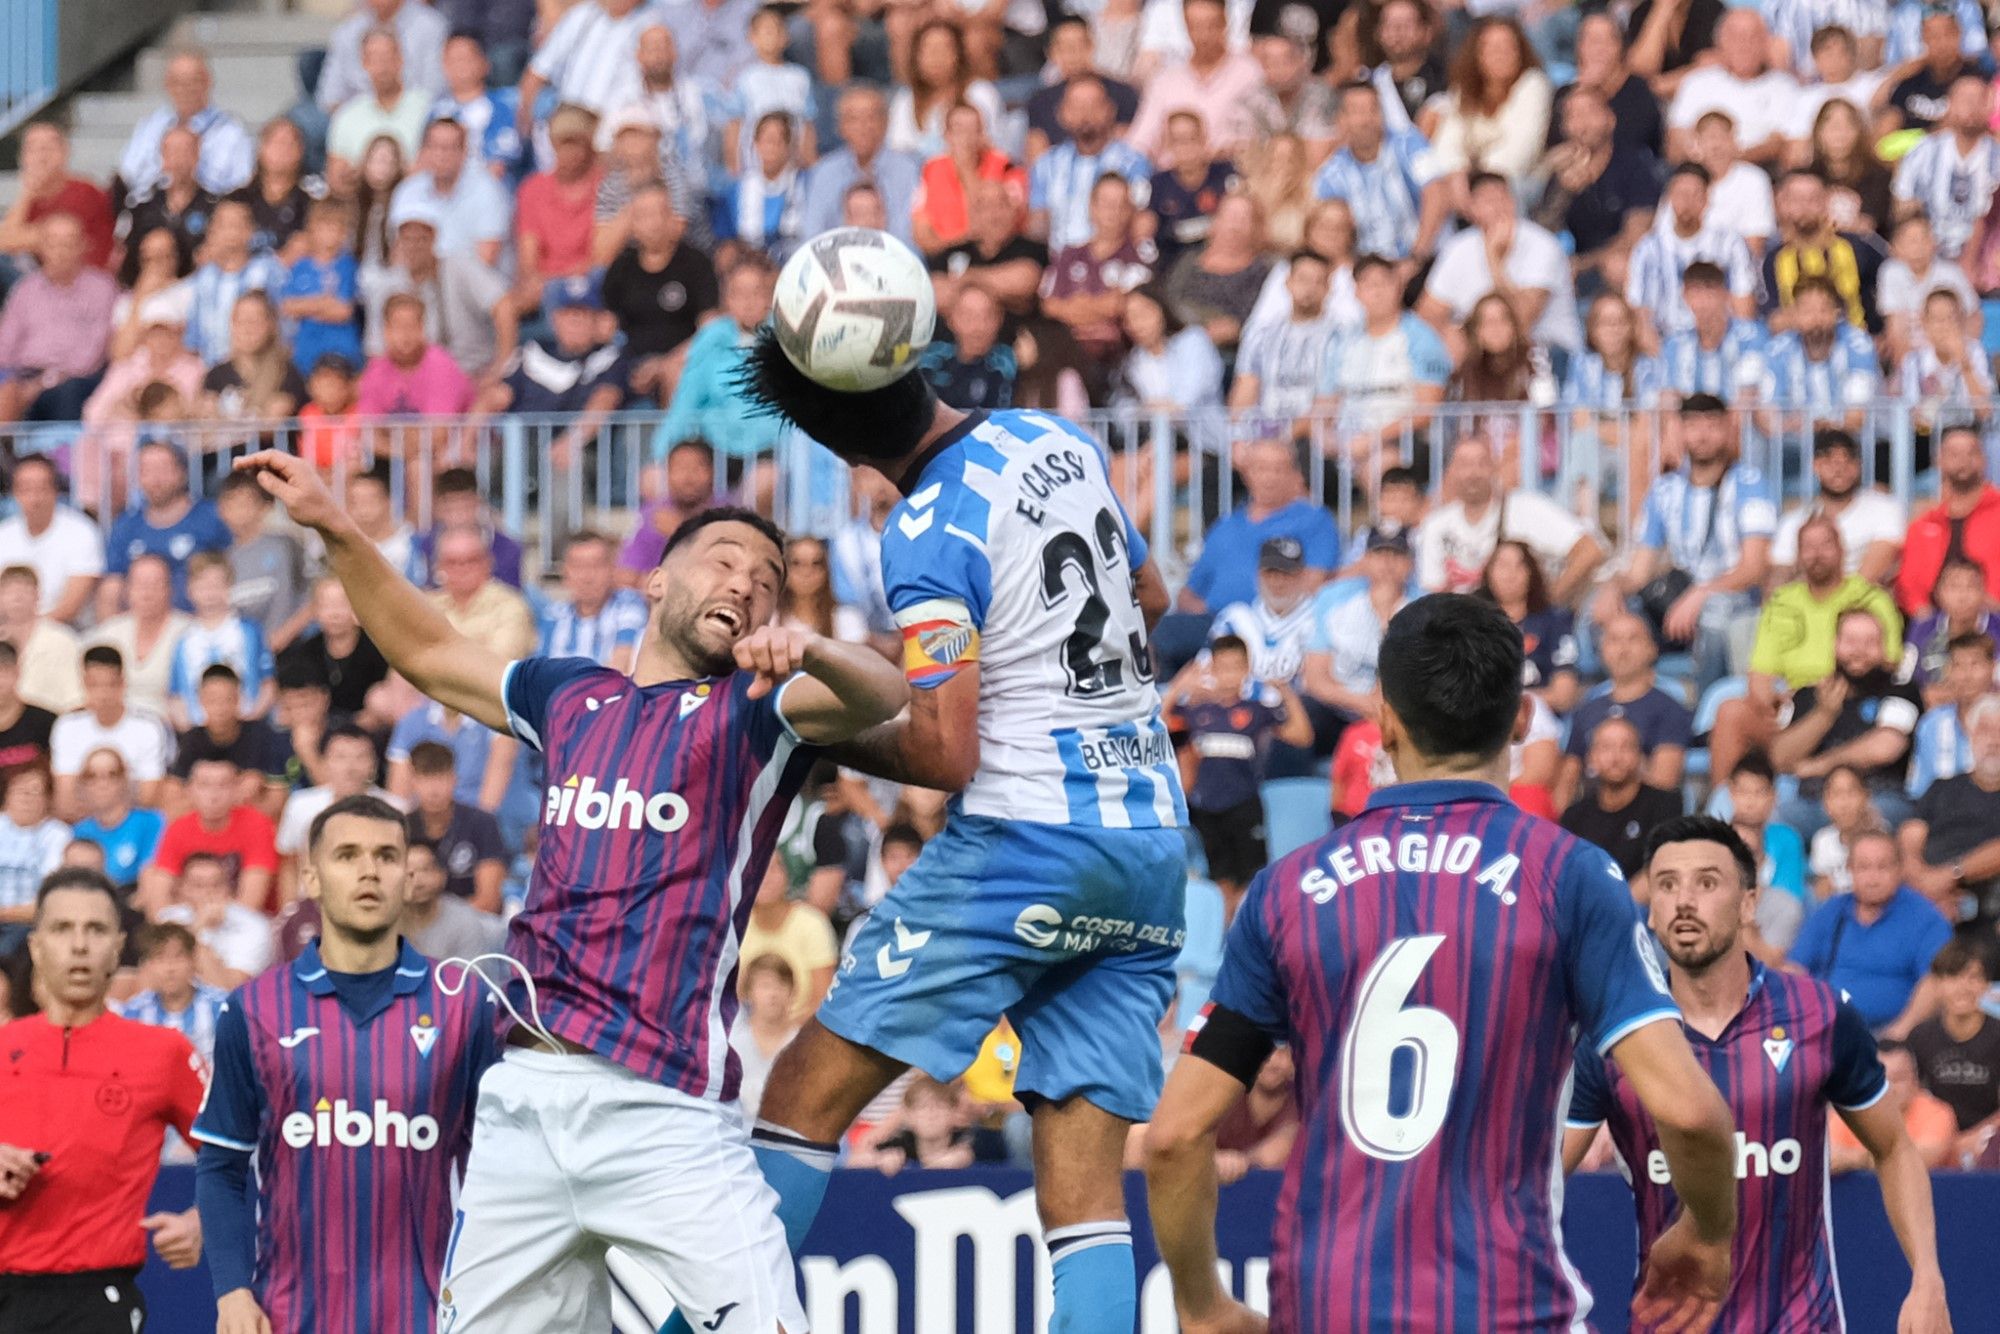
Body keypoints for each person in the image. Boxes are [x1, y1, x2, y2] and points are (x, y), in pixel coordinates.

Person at [237, 446, 906, 1332]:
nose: (747, 584)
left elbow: (884, 693)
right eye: (725, 561)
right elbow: (432, 652)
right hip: (524, 1104)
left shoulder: (757, 711)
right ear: (656, 584)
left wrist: (817, 647)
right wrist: (336, 526)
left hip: (666, 1116)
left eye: (768, 579)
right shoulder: (570, 694)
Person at [730, 311, 1190, 1334]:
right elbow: (1150, 596)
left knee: (802, 1092)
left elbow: (943, 752)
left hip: (1028, 839)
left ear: (834, 440)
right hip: (1149, 838)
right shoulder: (1052, 439)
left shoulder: (926, 527)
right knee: (1082, 1192)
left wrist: (820, 742)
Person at [1144, 595, 1737, 1333]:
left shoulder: (1287, 891)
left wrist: (1201, 1304)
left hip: (1331, 1308)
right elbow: (1690, 1112)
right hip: (1510, 1308)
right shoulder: (1568, 876)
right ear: (1522, 718)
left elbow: (1172, 1139)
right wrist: (1708, 1233)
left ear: (1383, 721)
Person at [1562, 816, 1950, 1331]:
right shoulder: (1613, 1039)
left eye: (1707, 882)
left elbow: (1894, 1148)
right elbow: (1536, 1179)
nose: (1684, 901)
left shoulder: (1821, 1014)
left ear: (1748, 903)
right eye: (1667, 884)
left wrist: (1927, 1279)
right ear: (1650, 912)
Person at [193, 794, 499, 1334]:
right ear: (311, 878)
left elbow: (504, 1169)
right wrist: (232, 1293)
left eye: (386, 856)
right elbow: (222, 1167)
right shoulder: (254, 1010)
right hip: (289, 1317)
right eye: (347, 855)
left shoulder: (465, 1004)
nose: (368, 871)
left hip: (430, 1319)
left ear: (408, 877)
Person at [0, 870, 206, 1333]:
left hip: (97, 1302)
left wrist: (202, 1220)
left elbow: (238, 1153)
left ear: (118, 946)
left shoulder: (163, 1053)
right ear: (35, 947)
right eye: (61, 929)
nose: (78, 945)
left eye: (94, 930)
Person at [1598, 393, 1775, 692]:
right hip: (1679, 600)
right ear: (1680, 430)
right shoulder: (1665, 490)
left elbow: (1754, 568)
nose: (1703, 434)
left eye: (1712, 425)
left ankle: (1703, 712)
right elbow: (1640, 570)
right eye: (1693, 425)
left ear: (1728, 429)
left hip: (1732, 599)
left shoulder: (1749, 483)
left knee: (1716, 618)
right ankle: (1629, 701)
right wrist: (1613, 587)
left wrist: (1700, 594)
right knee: (1605, 612)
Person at [1706, 517, 1902, 782]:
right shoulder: (1782, 601)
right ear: (1798, 555)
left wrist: (1828, 689)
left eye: (1826, 545)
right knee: (1731, 712)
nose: (1817, 554)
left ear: (1841, 550)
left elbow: (1888, 661)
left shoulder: (1870, 597)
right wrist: (1769, 705)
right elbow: (1761, 673)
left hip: (1851, 700)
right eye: (1808, 547)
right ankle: (1722, 814)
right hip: (1792, 706)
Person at [1169, 634, 1313, 915]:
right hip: (1205, 806)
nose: (1229, 675)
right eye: (1222, 667)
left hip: (1244, 803)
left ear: (1248, 669)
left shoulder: (1256, 711)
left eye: (1236, 666)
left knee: (1250, 878)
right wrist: (1178, 688)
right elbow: (1159, 728)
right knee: (1219, 878)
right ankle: (1221, 936)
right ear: (1211, 668)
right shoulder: (1197, 710)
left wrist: (1285, 691)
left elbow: (1303, 736)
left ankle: (1241, 932)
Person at [1770, 608, 1924, 834]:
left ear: (1883, 648)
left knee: (1879, 816)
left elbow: (1887, 745)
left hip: (1878, 798)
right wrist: (1823, 715)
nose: (1859, 651)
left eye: (1870, 642)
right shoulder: (1807, 695)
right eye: (1851, 641)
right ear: (1835, 644)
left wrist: (1819, 765)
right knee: (1777, 820)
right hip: (1814, 803)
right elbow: (1779, 758)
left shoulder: (1900, 690)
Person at [1790, 830, 1953, 1030]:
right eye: (1864, 867)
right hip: (1824, 1029)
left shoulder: (1926, 917)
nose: (1873, 878)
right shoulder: (1831, 910)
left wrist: (1899, 1034)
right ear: (1850, 870)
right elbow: (1794, 969)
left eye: (1883, 867)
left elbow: (1934, 983)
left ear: (1900, 870)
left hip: (1893, 1035)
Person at [1416, 435, 1604, 604]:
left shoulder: (1527, 508)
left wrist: (1547, 603)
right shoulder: (1435, 525)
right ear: (1451, 473)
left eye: (1482, 463)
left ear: (1494, 468)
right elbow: (1433, 593)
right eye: (1464, 465)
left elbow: (1590, 551)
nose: (1472, 473)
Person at [1418, 171, 1582, 356]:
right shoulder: (1458, 248)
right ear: (1472, 209)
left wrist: (1493, 260)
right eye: (1488, 201)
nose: (1498, 207)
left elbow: (1520, 323)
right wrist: (1452, 334)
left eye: (1503, 198)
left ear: (1514, 203)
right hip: (1481, 358)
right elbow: (1427, 314)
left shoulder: (1542, 245)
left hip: (1548, 353)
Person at [1310, 82, 1448, 264]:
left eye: (1374, 109)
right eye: (1357, 111)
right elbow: (1324, 231)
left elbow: (1437, 194)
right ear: (1340, 120)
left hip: (1425, 260)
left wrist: (1415, 259)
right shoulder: (1331, 175)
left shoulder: (1410, 145)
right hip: (1365, 271)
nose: (1367, 119)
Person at [0, 214, 118, 425]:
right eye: (53, 244)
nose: (61, 252)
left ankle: (60, 455)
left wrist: (44, 382)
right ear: (41, 248)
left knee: (68, 392)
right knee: (6, 392)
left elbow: (92, 356)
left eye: (69, 244)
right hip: (24, 377)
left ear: (83, 246)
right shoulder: (26, 289)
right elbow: (5, 348)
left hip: (75, 379)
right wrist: (13, 381)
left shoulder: (102, 288)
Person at [99, 438, 233, 619]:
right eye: (146, 471)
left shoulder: (212, 517)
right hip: (142, 627)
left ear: (181, 472)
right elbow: (111, 589)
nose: (156, 479)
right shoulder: (125, 526)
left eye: (163, 469)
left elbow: (233, 572)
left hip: (201, 626)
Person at [1902, 696, 2000, 921]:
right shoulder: (1942, 786)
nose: (1994, 741)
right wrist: (1919, 876)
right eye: (1985, 731)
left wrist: (1951, 876)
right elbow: (1912, 833)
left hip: (1982, 894)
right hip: (1926, 888)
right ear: (1971, 736)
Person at [49, 646, 173, 820]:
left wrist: (110, 812)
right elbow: (65, 800)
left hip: (132, 822)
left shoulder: (148, 727)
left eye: (110, 684)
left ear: (123, 683)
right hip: (82, 823)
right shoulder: (67, 726)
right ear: (83, 683)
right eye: (94, 685)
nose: (103, 694)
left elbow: (148, 797)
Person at [1770, 429, 1907, 585]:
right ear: (1815, 465)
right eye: (1829, 461)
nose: (1839, 469)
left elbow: (1872, 573)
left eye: (1847, 460)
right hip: (1809, 604)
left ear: (1858, 465)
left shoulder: (1885, 509)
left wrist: (1832, 603)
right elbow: (1779, 574)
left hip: (1865, 602)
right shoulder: (1794, 521)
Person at [1560, 716, 1686, 886]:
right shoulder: (1574, 816)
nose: (1615, 757)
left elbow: (1664, 866)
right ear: (1591, 758)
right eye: (1606, 748)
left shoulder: (1665, 804)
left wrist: (1621, 908)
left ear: (1640, 756)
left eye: (1626, 747)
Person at [115, 49, 255, 200]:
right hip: (151, 213)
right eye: (177, 82)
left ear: (208, 82)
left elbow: (240, 189)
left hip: (210, 215)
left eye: (193, 81)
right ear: (167, 84)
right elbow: (128, 176)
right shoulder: (149, 127)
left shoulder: (232, 133)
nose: (185, 89)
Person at [1906, 936, 2000, 1156]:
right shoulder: (1921, 1036)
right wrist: (1940, 1139)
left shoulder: (1997, 1035)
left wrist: (1972, 1138)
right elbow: (1911, 1097)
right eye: (1952, 976)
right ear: (1937, 984)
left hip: (1988, 1137)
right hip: (1932, 1136)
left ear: (1986, 984)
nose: (1962, 987)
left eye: (1973, 977)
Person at [1897, 425, 2000, 614]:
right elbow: (1909, 583)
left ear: (1984, 460)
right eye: (1954, 453)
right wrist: (1925, 617)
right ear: (1939, 460)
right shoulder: (1923, 524)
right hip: (1933, 625)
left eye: (1971, 453)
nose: (1963, 460)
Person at [0, 455, 103, 626]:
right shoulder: (4, 533)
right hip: (8, 631)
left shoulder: (81, 531)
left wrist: (28, 630)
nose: (34, 497)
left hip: (67, 631)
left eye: (41, 488)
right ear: (15, 494)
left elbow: (71, 607)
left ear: (55, 491)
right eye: (26, 489)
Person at [404, 741, 505, 912]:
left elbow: (489, 900)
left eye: (441, 778)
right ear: (413, 781)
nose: (434, 790)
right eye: (426, 778)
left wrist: (443, 922)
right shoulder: (400, 827)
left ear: (454, 779)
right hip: (413, 923)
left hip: (472, 923)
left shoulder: (482, 823)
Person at [118, 921, 230, 1065]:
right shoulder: (133, 1013)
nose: (170, 968)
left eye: (178, 957)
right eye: (160, 959)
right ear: (148, 965)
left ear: (193, 961)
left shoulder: (222, 1008)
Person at [399, 839, 505, 963]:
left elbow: (469, 978)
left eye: (425, 870)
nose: (418, 881)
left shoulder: (464, 920)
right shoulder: (388, 920)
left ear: (442, 874)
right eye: (409, 873)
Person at [731, 955, 801, 1122]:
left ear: (792, 991)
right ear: (749, 992)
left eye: (781, 985)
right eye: (765, 986)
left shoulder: (805, 1046)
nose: (773, 994)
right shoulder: (731, 1044)